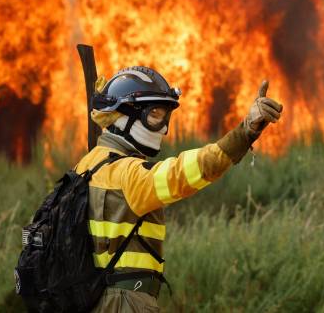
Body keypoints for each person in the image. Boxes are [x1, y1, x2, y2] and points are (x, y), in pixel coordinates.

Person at [77, 66, 282, 311]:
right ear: (123, 116)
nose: (164, 129)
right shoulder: (127, 174)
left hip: (95, 299)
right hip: (124, 303)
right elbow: (186, 172)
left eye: (166, 117)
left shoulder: (86, 165)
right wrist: (245, 132)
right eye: (155, 115)